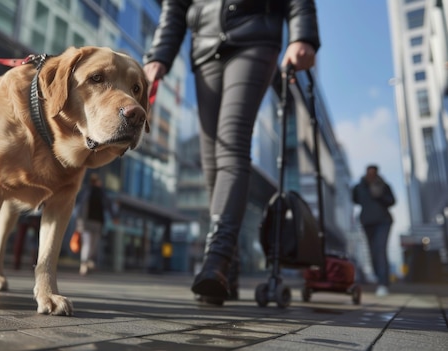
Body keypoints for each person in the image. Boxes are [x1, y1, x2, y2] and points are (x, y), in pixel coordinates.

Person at [143, 0, 320, 305]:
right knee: (210, 158)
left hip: (255, 34)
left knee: (232, 142)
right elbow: (175, 7)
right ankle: (230, 270)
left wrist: (302, 35)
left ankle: (218, 258)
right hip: (205, 45)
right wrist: (158, 55)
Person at [352, 165, 396, 297]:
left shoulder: (384, 185)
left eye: (374, 173)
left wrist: (380, 195)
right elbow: (355, 200)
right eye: (369, 173)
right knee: (372, 252)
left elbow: (392, 201)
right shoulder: (358, 187)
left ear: (377, 174)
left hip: (383, 221)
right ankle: (379, 278)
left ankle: (383, 284)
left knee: (380, 250)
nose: (371, 175)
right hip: (367, 222)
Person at [75, 173, 116, 275]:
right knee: (88, 244)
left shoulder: (101, 193)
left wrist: (113, 216)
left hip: (96, 223)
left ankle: (88, 261)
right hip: (87, 222)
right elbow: (79, 205)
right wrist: (79, 221)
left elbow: (108, 204)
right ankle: (84, 265)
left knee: (93, 245)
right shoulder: (88, 191)